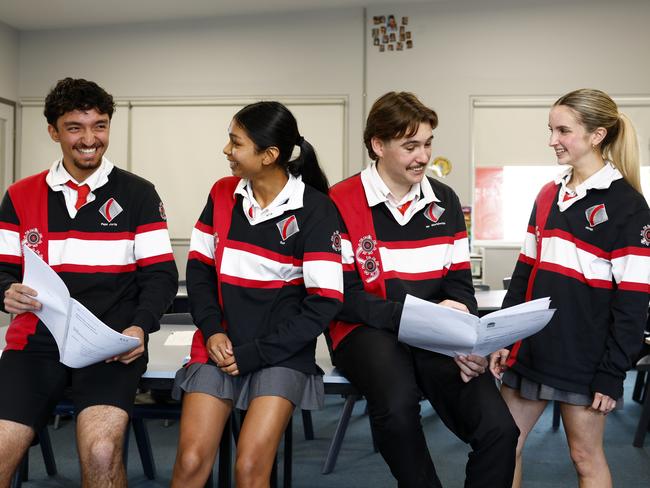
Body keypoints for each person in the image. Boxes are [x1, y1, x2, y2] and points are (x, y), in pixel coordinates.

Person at [328, 91, 518, 488]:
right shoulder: (340, 201)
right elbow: (342, 295)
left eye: (428, 143)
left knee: (500, 429)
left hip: (435, 333)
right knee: (398, 408)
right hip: (367, 331)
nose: (423, 156)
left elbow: (461, 287)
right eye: (410, 145)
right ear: (378, 145)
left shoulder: (444, 201)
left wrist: (464, 326)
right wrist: (411, 317)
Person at [0, 77, 178, 487]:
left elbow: (161, 275)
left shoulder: (139, 194)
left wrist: (139, 327)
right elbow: (3, 271)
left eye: (99, 125)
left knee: (101, 450)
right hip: (34, 345)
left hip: (109, 346)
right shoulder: (20, 195)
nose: (89, 139)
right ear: (54, 131)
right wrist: (6, 290)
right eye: (75, 127)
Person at [171, 101, 343, 487]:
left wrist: (256, 354)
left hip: (278, 354)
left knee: (250, 468)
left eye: (236, 143)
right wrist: (213, 330)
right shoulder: (220, 194)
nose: (226, 151)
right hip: (218, 345)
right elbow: (199, 269)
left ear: (269, 156)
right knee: (191, 461)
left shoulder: (316, 210)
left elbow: (324, 302)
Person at [489, 88, 650, 488]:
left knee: (584, 457)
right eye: (551, 129)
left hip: (585, 359)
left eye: (563, 130)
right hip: (533, 349)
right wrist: (504, 336)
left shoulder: (629, 207)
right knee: (503, 446)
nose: (552, 141)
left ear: (597, 135)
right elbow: (524, 272)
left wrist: (612, 373)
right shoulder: (547, 195)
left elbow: (633, 302)